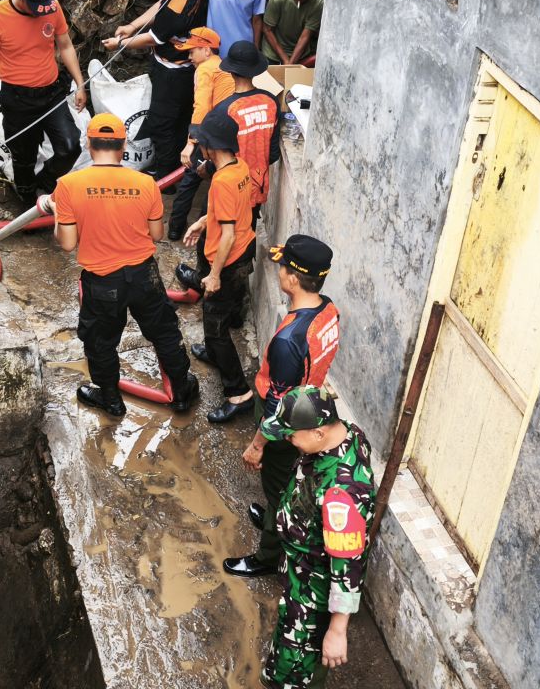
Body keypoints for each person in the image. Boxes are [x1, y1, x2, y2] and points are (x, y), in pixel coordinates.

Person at [46, 112, 199, 417]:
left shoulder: (68, 185)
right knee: (164, 332)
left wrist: (56, 211)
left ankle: (111, 400)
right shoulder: (145, 183)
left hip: (102, 282)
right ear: (123, 144)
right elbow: (156, 234)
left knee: (101, 341)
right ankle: (181, 392)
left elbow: (66, 243)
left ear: (89, 144)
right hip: (144, 276)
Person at [224, 235, 341, 580]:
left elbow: (277, 409)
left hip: (288, 418)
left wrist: (257, 445)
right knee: (287, 478)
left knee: (278, 487)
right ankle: (275, 519)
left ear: (292, 278)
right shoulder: (328, 311)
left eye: (283, 267)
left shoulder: (290, 341)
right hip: (308, 404)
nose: (279, 272)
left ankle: (268, 554)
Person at [257, 385, 374, 689]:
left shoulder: (342, 495)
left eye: (292, 434)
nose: (287, 439)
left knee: (295, 667)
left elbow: (347, 564)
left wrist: (337, 630)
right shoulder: (348, 432)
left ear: (319, 433)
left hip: (312, 591)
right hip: (300, 568)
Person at [0, 0, 86, 205]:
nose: (42, 12)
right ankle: (27, 198)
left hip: (51, 93)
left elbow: (66, 45)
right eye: (36, 6)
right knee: (23, 157)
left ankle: (44, 184)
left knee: (70, 147)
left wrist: (80, 84)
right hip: (18, 99)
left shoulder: (51, 7)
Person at [178, 106, 256, 424]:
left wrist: (212, 275)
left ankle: (239, 395)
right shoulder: (240, 168)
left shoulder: (223, 181)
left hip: (228, 260)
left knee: (216, 330)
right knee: (222, 320)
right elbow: (232, 214)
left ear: (212, 146)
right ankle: (213, 353)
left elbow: (226, 236)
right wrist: (202, 221)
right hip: (244, 252)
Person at [102, 0, 207, 181]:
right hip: (177, 66)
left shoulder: (180, 7)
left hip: (173, 72)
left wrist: (120, 43)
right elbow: (160, 5)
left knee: (162, 123)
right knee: (178, 120)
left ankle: (165, 177)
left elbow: (153, 37)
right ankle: (174, 170)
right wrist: (131, 26)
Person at [168, 26, 237, 240]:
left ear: (207, 50)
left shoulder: (205, 69)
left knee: (190, 178)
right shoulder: (223, 65)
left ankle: (175, 228)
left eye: (192, 51)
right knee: (217, 180)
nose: (189, 56)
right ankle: (207, 228)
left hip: (211, 133)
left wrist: (191, 143)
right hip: (229, 134)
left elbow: (202, 107)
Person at [214, 41, 280, 221]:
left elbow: (215, 159)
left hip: (231, 188)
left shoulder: (224, 110)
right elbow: (273, 154)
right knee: (248, 233)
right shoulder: (271, 101)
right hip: (258, 185)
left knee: (221, 232)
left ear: (231, 71)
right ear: (256, 70)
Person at [261, 0, 324, 67]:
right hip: (272, 54)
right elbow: (267, 30)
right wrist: (285, 60)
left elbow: (305, 36)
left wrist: (290, 64)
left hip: (299, 54)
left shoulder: (319, 4)